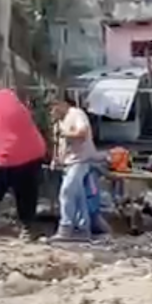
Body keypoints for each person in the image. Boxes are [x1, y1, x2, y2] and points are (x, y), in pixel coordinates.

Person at [0, 85, 48, 238]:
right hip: (35, 150)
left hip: (7, 155)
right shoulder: (7, 94)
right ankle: (27, 227)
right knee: (26, 189)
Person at [50, 95, 99, 240]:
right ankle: (83, 229)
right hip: (68, 162)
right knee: (78, 195)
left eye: (53, 107)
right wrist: (56, 159)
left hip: (81, 160)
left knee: (67, 191)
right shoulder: (58, 122)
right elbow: (58, 144)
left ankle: (65, 227)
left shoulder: (76, 114)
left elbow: (82, 132)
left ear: (62, 104)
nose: (52, 111)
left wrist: (66, 134)